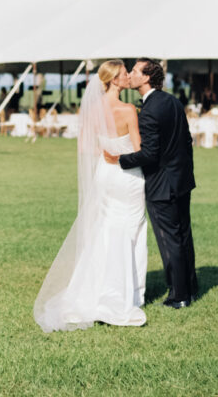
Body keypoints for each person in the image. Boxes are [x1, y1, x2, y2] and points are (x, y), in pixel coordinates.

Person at [34, 60, 147, 331]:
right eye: (123, 74)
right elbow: (137, 147)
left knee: (106, 229)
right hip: (127, 175)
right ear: (114, 81)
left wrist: (106, 155)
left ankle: (96, 288)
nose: (127, 77)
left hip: (104, 173)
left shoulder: (93, 110)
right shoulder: (128, 109)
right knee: (132, 229)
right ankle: (130, 294)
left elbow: (88, 145)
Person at [117, 58, 197, 309]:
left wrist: (119, 160)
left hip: (162, 185)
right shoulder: (172, 101)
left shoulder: (150, 110)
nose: (129, 74)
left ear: (146, 78)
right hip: (182, 181)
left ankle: (178, 295)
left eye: (134, 71)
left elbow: (149, 154)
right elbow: (187, 141)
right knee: (183, 236)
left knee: (168, 239)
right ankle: (190, 289)